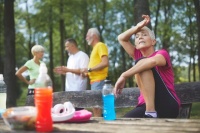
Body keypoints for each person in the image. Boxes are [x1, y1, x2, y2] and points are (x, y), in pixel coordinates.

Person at [113, 15, 180, 118]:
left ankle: (151, 113)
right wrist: (137, 27)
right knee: (124, 123)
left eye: (144, 34)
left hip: (166, 103)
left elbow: (152, 62)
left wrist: (124, 75)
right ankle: (150, 113)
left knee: (142, 63)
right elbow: (121, 38)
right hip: (144, 105)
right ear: (135, 44)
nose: (140, 37)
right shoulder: (137, 55)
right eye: (137, 36)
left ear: (153, 41)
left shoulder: (162, 54)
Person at [82, 28, 109, 117]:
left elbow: (105, 63)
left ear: (94, 35)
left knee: (97, 107)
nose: (86, 38)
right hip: (94, 82)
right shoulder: (94, 49)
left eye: (87, 35)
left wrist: (89, 70)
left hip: (99, 81)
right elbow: (94, 67)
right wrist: (87, 73)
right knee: (95, 107)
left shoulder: (100, 45)